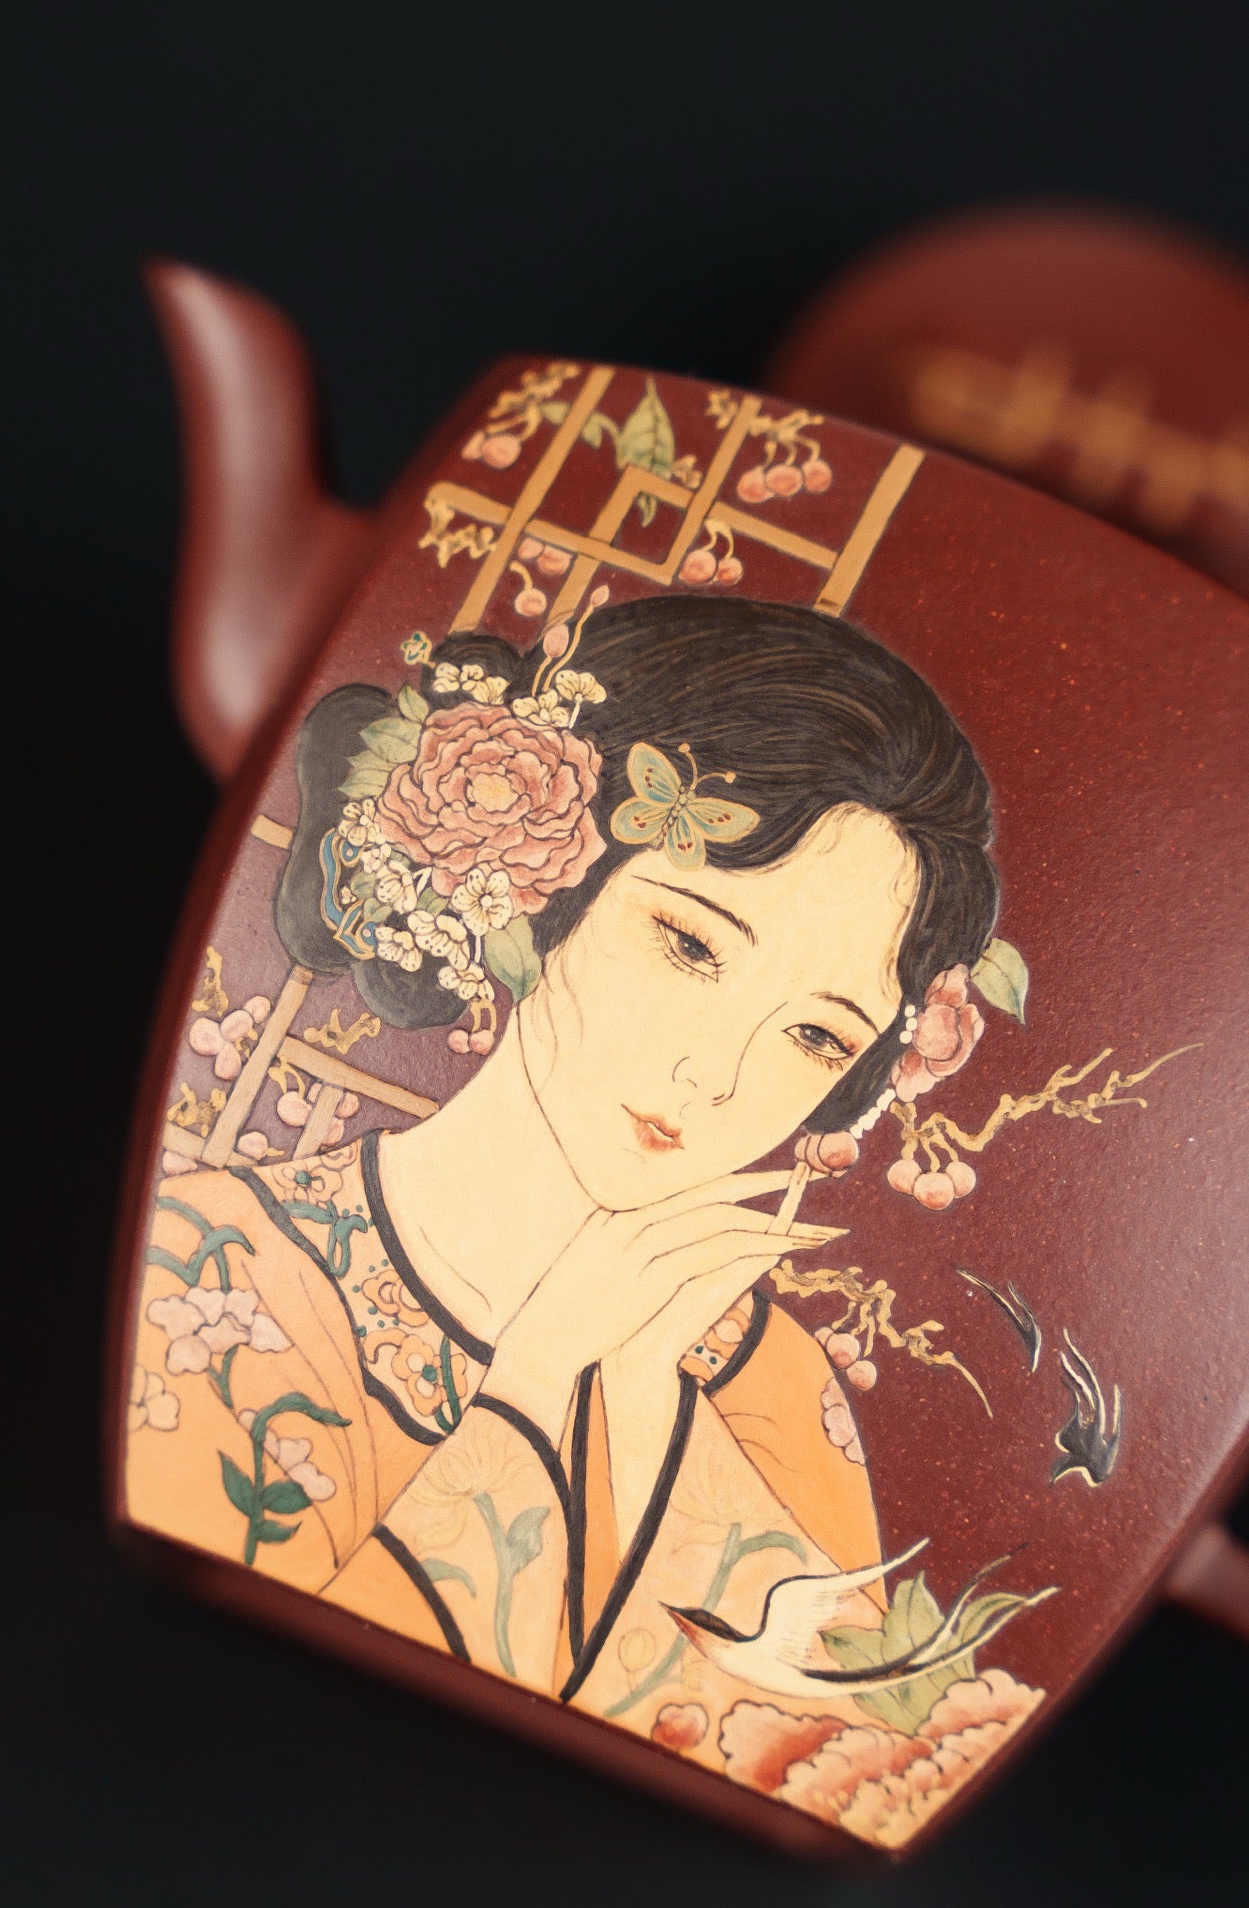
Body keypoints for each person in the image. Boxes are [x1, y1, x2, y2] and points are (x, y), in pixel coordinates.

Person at [125, 596, 998, 1740]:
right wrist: (536, 1383)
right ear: (534, 892)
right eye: (690, 944)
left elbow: (838, 1765)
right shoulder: (204, 1275)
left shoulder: (771, 1380)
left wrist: (643, 1400)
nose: (716, 1076)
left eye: (817, 1037)